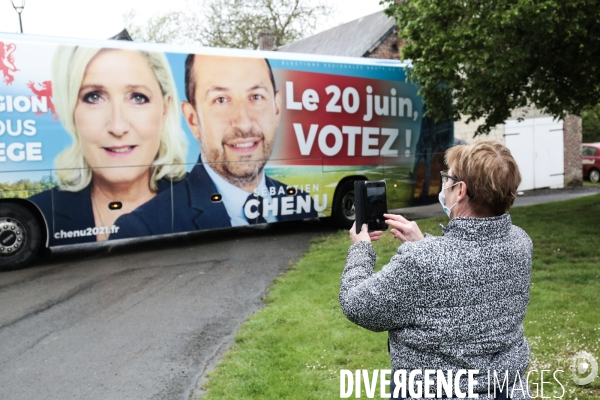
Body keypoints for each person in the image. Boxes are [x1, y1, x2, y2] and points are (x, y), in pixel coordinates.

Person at [340, 140, 532, 399]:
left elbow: (357, 305)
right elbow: (468, 271)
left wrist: (361, 250)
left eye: (447, 177)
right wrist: (424, 244)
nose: (444, 185)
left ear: (460, 190)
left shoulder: (422, 262)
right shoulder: (520, 241)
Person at [112, 54, 317, 237]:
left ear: (277, 108)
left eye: (256, 97)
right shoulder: (143, 227)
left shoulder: (303, 204)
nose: (244, 123)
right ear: (193, 120)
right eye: (221, 100)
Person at [29, 46, 187, 245]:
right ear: (71, 112)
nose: (118, 127)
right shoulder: (40, 213)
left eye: (138, 97)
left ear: (164, 111)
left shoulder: (201, 198)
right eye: (94, 97)